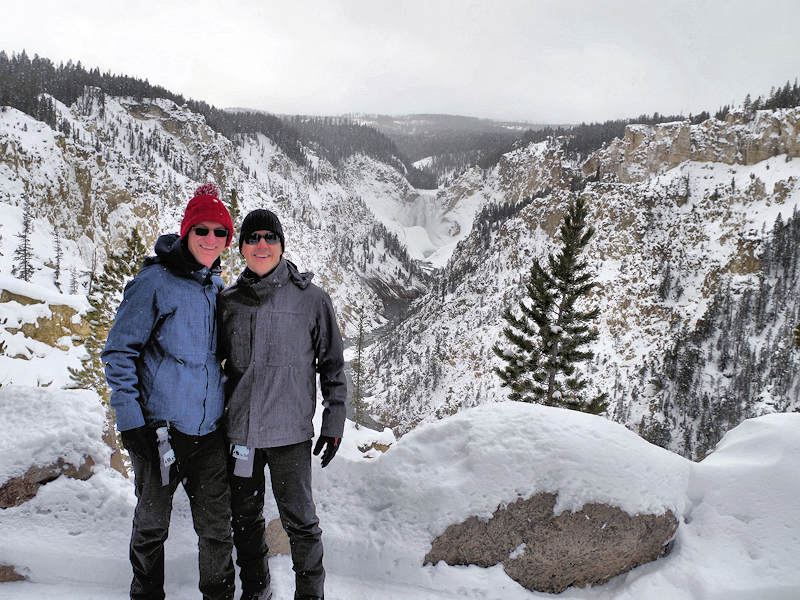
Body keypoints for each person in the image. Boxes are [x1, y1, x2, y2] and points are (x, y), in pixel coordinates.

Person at [102, 183, 236, 600]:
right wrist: (131, 422)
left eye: (220, 232)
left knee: (216, 529)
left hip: (209, 432)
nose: (211, 239)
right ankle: (146, 594)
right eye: (202, 230)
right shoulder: (154, 282)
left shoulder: (215, 285)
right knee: (151, 525)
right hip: (161, 430)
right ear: (186, 232)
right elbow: (118, 353)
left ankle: (218, 595)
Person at [218, 209, 347, 600]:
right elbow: (213, 366)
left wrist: (334, 421)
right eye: (253, 238)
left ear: (281, 245)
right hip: (241, 432)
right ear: (241, 247)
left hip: (289, 433)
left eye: (269, 238)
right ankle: (256, 589)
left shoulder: (312, 300)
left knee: (301, 523)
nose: (262, 245)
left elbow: (332, 365)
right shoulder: (228, 302)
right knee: (244, 519)